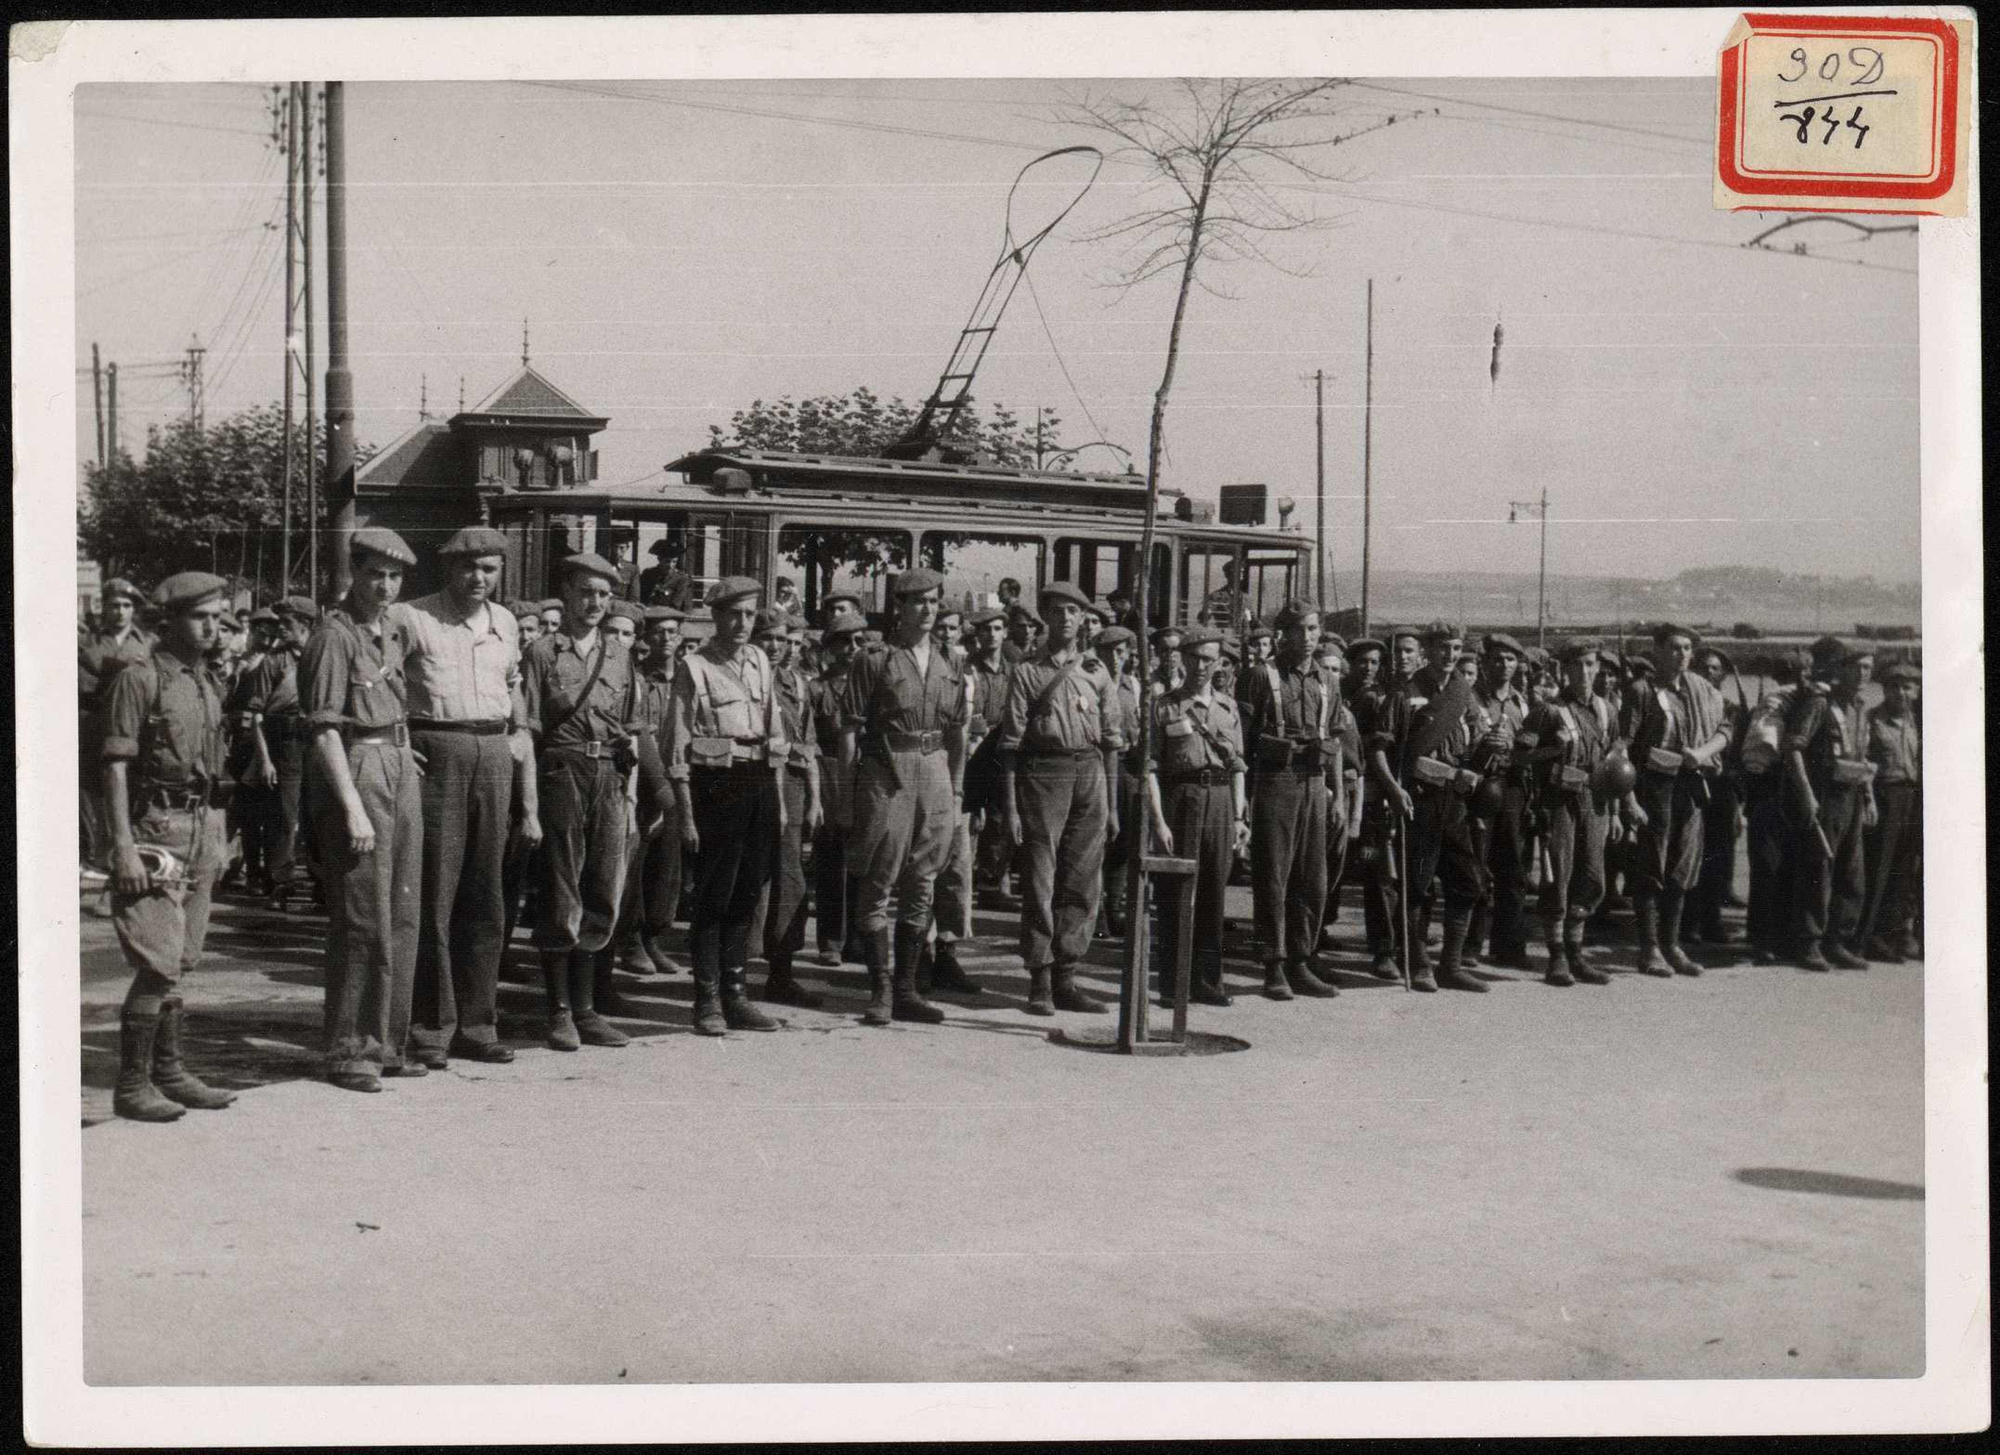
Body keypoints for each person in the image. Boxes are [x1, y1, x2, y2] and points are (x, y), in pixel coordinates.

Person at [98, 571, 238, 1121]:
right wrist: (123, 848)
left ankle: (170, 1071)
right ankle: (132, 1087)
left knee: (181, 958)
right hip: (156, 828)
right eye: (201, 617)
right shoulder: (139, 678)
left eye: (217, 618)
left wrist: (219, 837)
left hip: (201, 826)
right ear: (170, 620)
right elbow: (114, 768)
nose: (213, 628)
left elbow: (213, 764)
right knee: (157, 959)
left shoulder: (205, 681)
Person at [520, 555, 668, 1049]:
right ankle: (558, 1010)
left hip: (608, 775)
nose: (595, 604)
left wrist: (632, 768)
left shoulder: (620, 655)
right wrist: (531, 803)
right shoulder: (543, 652)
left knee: (603, 887)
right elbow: (531, 728)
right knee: (563, 889)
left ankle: (586, 1009)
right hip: (561, 772)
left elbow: (633, 726)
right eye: (586, 593)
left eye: (604, 595)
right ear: (566, 591)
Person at [297, 529, 425, 1092]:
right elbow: (324, 728)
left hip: (396, 762)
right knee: (361, 916)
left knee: (401, 911)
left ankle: (387, 1043)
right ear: (354, 571)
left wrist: (403, 754)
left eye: (395, 576)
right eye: (376, 573)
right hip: (357, 770)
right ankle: (349, 1049)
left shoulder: (392, 631)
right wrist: (351, 808)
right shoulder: (334, 635)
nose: (385, 585)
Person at [395, 526, 527, 1067]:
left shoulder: (506, 622)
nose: (479, 578)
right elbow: (381, 681)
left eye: (490, 569)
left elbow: (514, 684)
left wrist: (518, 731)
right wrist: (400, 741)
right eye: (468, 567)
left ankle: (479, 1023)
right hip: (437, 752)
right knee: (435, 892)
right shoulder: (412, 616)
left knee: (486, 893)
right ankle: (432, 1028)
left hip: (492, 752)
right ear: (447, 568)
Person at [838, 567, 967, 1025]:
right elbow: (850, 729)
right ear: (900, 607)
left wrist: (955, 789)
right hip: (886, 770)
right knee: (878, 878)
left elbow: (957, 732)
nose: (927, 609)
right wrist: (849, 795)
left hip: (934, 771)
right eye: (918, 601)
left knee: (924, 880)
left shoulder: (951, 662)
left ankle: (909, 989)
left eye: (934, 601)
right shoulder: (875, 659)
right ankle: (880, 990)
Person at [662, 577, 787, 1035]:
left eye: (749, 614)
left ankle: (738, 996)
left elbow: (772, 728)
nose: (742, 623)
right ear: (715, 616)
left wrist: (777, 799)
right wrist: (686, 812)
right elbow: (676, 745)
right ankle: (708, 1000)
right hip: (717, 785)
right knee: (714, 894)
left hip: (758, 782)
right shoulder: (694, 667)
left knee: (749, 890)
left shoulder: (759, 660)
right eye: (733, 614)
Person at [1000, 579, 1124, 1016]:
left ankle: (1067, 975)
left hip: (1089, 773)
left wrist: (1109, 802)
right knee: (1040, 879)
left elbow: (1112, 740)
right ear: (1046, 618)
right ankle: (1040, 978)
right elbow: (1011, 745)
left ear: (1084, 619)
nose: (1066, 619)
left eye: (1074, 612)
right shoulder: (1028, 671)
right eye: (1057, 612)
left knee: (1082, 879)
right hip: (1043, 773)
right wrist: (1012, 806)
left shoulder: (1097, 672)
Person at [1360, 625, 1492, 993]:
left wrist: (1483, 758)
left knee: (1467, 881)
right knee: (1417, 885)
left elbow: (1476, 743)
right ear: (1427, 652)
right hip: (1417, 799)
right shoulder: (1405, 693)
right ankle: (1418, 963)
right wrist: (1393, 788)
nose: (1449, 655)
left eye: (1455, 648)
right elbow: (1379, 749)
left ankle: (1450, 965)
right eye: (1442, 648)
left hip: (1455, 800)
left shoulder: (1463, 693)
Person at [1237, 597, 1342, 1000]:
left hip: (1314, 782)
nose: (1308, 637)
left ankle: (1301, 958)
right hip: (1275, 781)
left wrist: (1336, 797)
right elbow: (1243, 742)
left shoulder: (1326, 680)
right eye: (1300, 629)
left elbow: (1333, 736)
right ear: (1283, 633)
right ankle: (1274, 964)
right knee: (1274, 875)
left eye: (1314, 629)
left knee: (1312, 877)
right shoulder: (1262, 677)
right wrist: (1242, 798)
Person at [1143, 626, 1249, 1006]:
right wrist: (1158, 821)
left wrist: (1238, 816)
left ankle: (1207, 980)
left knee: (1212, 894)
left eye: (1208, 658)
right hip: (1181, 798)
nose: (1201, 665)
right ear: (1182, 659)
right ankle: (1172, 985)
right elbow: (1151, 767)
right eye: (1194, 657)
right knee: (1174, 894)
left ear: (1220, 661)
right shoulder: (1164, 705)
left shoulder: (1228, 706)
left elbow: (1238, 764)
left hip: (1220, 799)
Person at [1521, 640, 1632, 985]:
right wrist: (1553, 750)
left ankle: (1577, 954)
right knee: (1559, 877)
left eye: (1590, 664)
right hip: (1559, 802)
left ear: (1598, 667)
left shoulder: (1607, 710)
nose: (1584, 672)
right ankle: (1556, 958)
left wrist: (1614, 811)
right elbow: (1519, 756)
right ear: (1563, 670)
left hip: (1596, 802)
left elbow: (1613, 765)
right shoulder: (1547, 711)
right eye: (1576, 665)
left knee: (1592, 876)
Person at [1625, 623, 1730, 978]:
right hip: (1653, 787)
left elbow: (1725, 730)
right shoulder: (1641, 690)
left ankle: (1672, 944)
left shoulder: (1700, 690)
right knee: (1651, 866)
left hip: (1689, 786)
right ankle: (1649, 947)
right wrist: (1628, 799)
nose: (1682, 654)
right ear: (1656, 651)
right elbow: (1622, 746)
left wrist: (1701, 754)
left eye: (1687, 648)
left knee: (1682, 866)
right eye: (1674, 647)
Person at [1783, 637, 1876, 971]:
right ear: (1843, 669)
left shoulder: (1860, 708)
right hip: (1825, 796)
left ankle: (1838, 940)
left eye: (1869, 668)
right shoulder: (1821, 704)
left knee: (1852, 871)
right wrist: (1806, 795)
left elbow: (1861, 756)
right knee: (1818, 869)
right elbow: (1793, 748)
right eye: (1859, 667)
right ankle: (1809, 942)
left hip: (1851, 796)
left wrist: (1868, 796)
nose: (1865, 674)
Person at [929, 604, 1008, 994]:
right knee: (921, 870)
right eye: (940, 628)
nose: (946, 635)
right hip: (924, 778)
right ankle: (915, 958)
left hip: (960, 782)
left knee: (958, 871)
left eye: (952, 629)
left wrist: (971, 794)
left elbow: (972, 738)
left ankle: (946, 953)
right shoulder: (919, 668)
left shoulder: (966, 676)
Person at [610, 603, 686, 977]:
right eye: (658, 632)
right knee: (636, 860)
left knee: (666, 864)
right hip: (641, 776)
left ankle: (653, 936)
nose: (666, 638)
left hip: (676, 776)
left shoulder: (685, 678)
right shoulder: (638, 679)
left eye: (673, 631)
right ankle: (630, 939)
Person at [755, 607, 824, 1008]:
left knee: (789, 880)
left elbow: (808, 746)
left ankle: (781, 972)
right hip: (756, 781)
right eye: (769, 638)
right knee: (751, 879)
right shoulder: (752, 681)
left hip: (793, 788)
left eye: (783, 640)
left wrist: (815, 798)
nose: (777, 647)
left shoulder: (798, 683)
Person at [1739, 645, 1811, 965]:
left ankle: (1767, 938)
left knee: (1772, 867)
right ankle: (1769, 939)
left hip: (1773, 793)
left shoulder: (1781, 702)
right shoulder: (1780, 703)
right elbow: (1759, 754)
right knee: (1776, 867)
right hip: (1775, 792)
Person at [1465, 633, 1532, 971]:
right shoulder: (1472, 698)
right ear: (1484, 663)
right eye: (1496, 659)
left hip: (1511, 788)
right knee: (1476, 866)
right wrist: (1485, 744)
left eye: (1509, 660)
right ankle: (1470, 945)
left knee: (1514, 868)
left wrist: (1515, 747)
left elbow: (1529, 748)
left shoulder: (1522, 702)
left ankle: (1509, 947)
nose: (1503, 666)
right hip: (1479, 786)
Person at [810, 596, 867, 964]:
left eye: (859, 641)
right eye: (844, 641)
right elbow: (811, 741)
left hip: (867, 774)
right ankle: (831, 940)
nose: (853, 649)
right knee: (831, 861)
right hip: (831, 775)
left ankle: (860, 938)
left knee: (865, 859)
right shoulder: (816, 689)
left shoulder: (873, 688)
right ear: (829, 647)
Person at [1861, 660, 1922, 962]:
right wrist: (1868, 800)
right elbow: (1865, 764)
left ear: (1916, 690)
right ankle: (1871, 935)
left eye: (1907, 687)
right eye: (1894, 687)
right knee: (1879, 867)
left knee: (1905, 867)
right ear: (1884, 689)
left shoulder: (1917, 722)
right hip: (1885, 794)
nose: (1901, 692)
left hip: (1911, 796)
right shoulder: (1872, 720)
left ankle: (1896, 931)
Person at [1686, 645, 1746, 944]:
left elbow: (1738, 754)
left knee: (1718, 857)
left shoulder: (1732, 709)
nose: (1709, 674)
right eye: (1703, 668)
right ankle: (1687, 923)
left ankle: (1710, 921)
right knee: (1688, 855)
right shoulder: (1684, 702)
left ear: (1722, 674)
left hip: (1722, 789)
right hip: (1693, 784)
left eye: (1715, 669)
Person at [962, 604, 1017, 912]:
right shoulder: (967, 670)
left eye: (997, 629)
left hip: (1000, 750)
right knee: (970, 817)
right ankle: (963, 882)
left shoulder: (1014, 670)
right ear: (977, 634)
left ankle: (991, 883)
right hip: (973, 750)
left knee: (998, 818)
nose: (992, 635)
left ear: (1005, 633)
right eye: (985, 629)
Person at [1093, 624, 1144, 938]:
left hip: (1126, 766)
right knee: (1096, 840)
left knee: (1124, 841)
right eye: (1109, 651)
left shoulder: (1133, 686)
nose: (1115, 658)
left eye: (1122, 652)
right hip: (1097, 766)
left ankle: (1116, 908)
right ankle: (1096, 911)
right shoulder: (1091, 683)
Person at [636, 537, 695, 611]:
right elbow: (639, 597)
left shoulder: (681, 579)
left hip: (668, 616)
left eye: (674, 562)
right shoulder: (648, 574)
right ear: (659, 559)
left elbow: (675, 605)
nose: (670, 565)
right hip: (644, 612)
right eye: (667, 561)